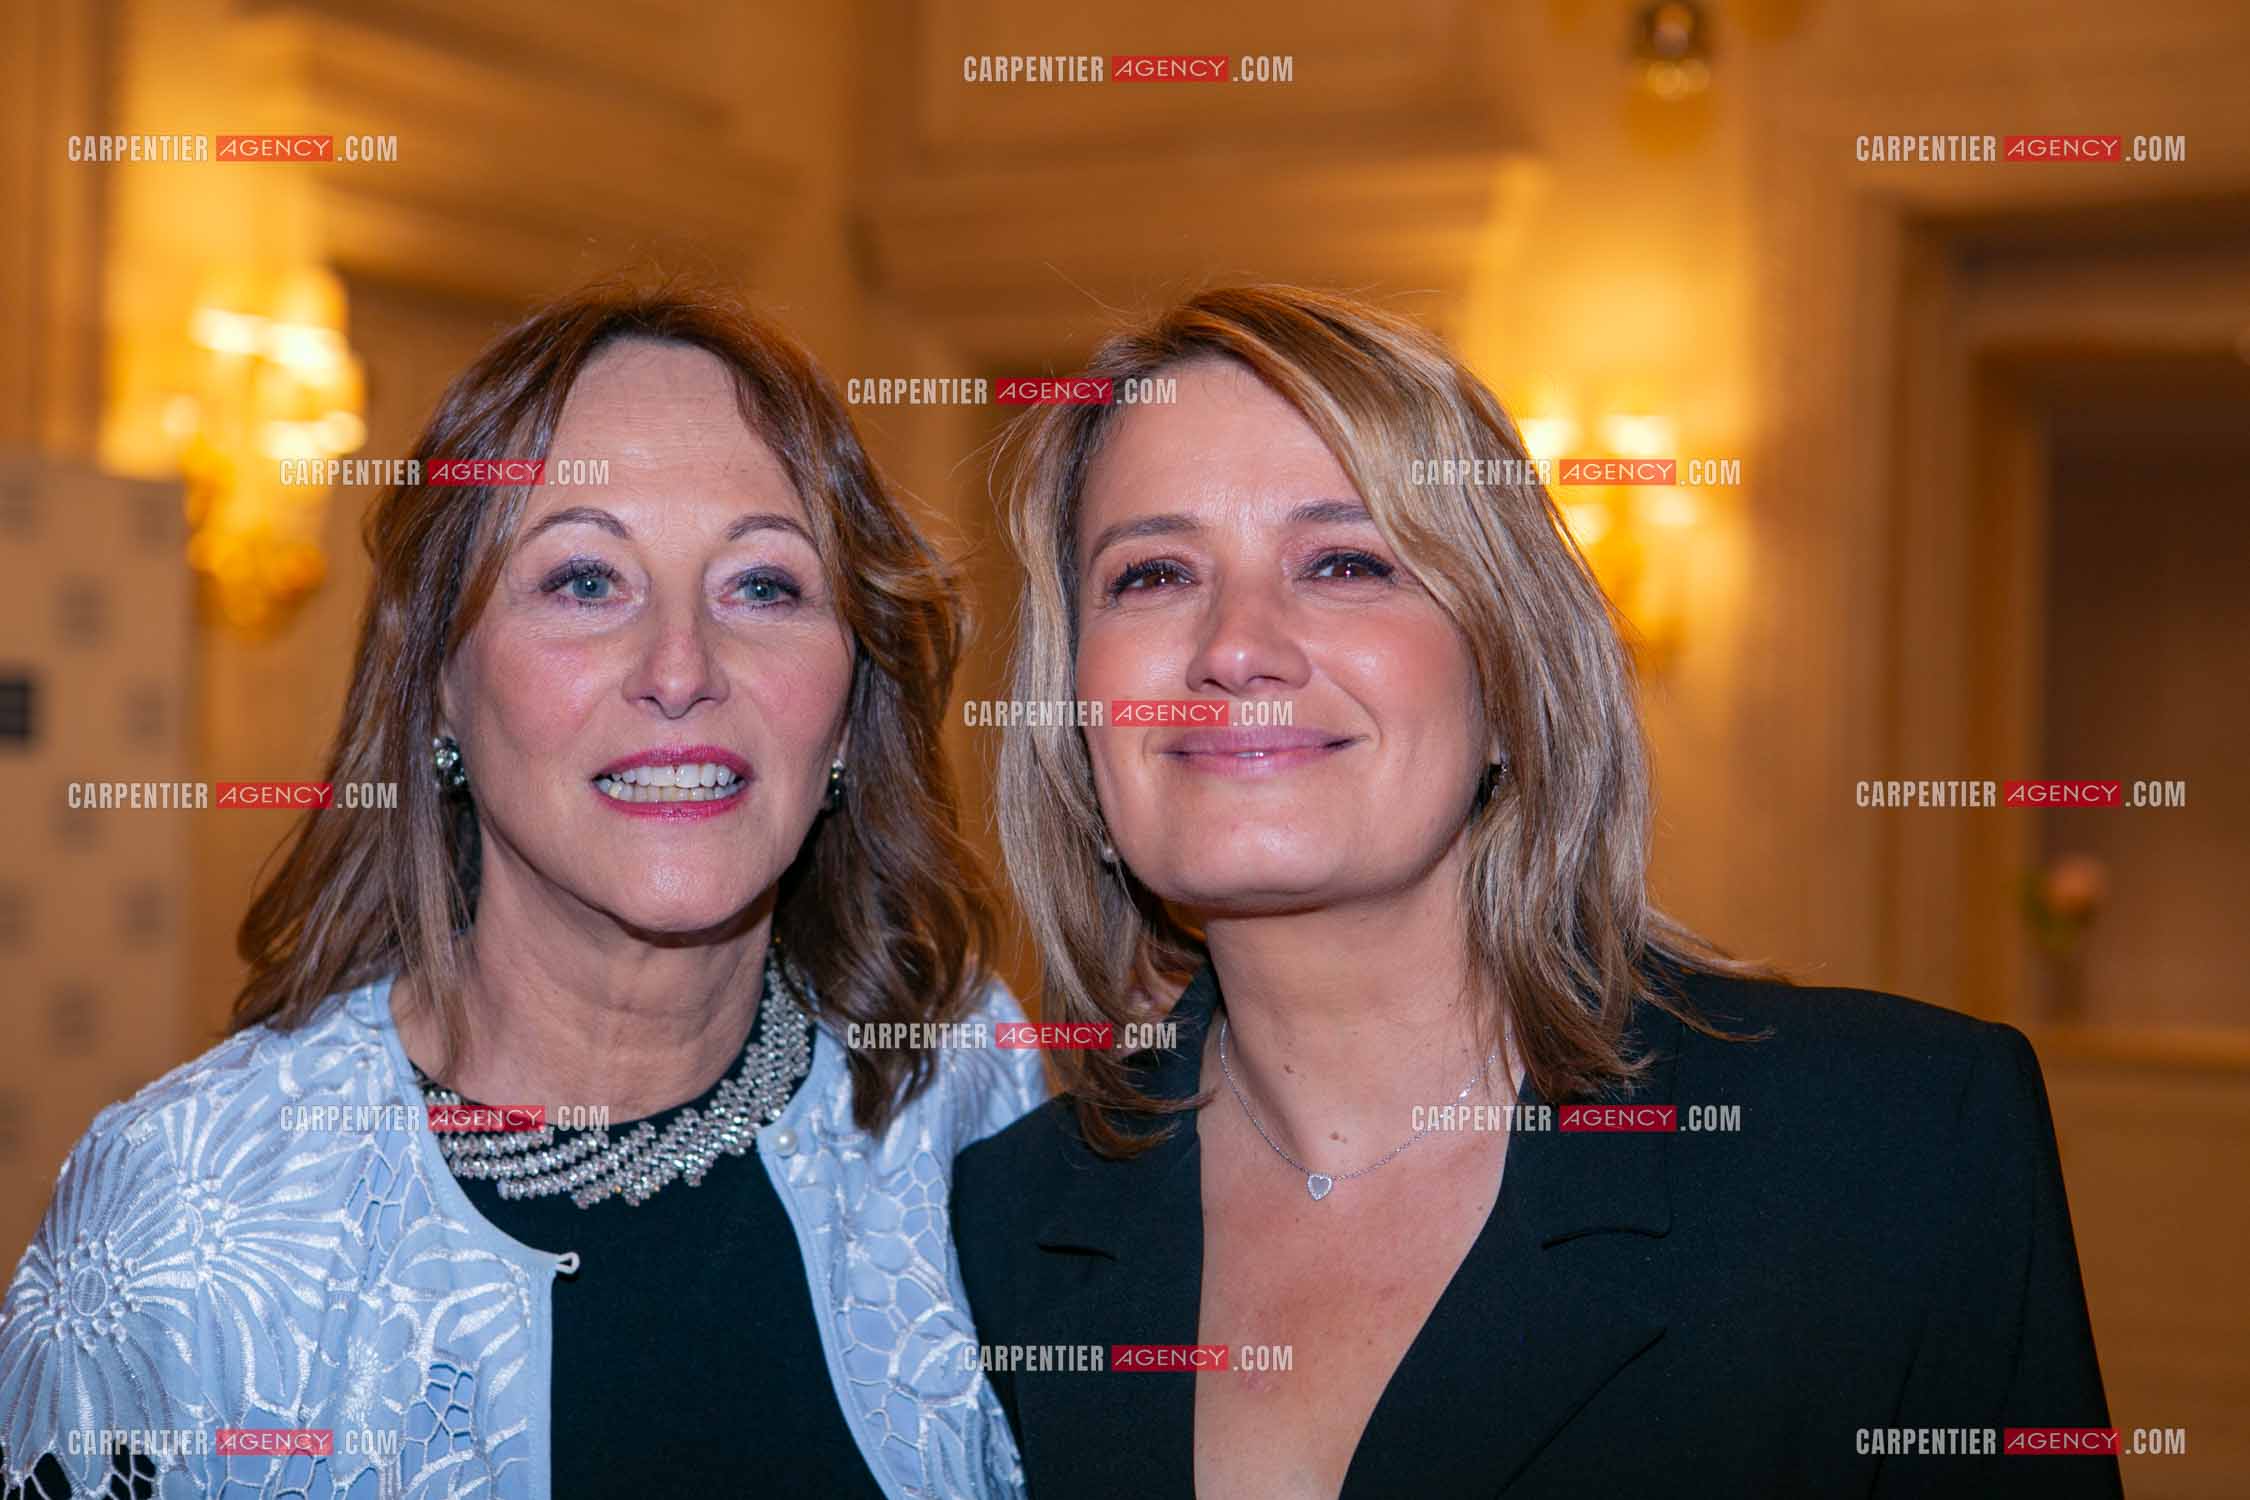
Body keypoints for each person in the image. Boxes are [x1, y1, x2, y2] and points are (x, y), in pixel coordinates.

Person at [952, 284, 2120, 1499]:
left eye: (1346, 560)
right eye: (1151, 575)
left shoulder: (1893, 1149)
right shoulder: (999, 1225)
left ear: (1510, 680)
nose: (1235, 646)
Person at [0, 285, 1044, 1499]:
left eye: (763, 586)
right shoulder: (185, 1213)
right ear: (440, 682)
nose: (679, 669)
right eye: (585, 581)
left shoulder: (958, 1081)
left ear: (853, 700)